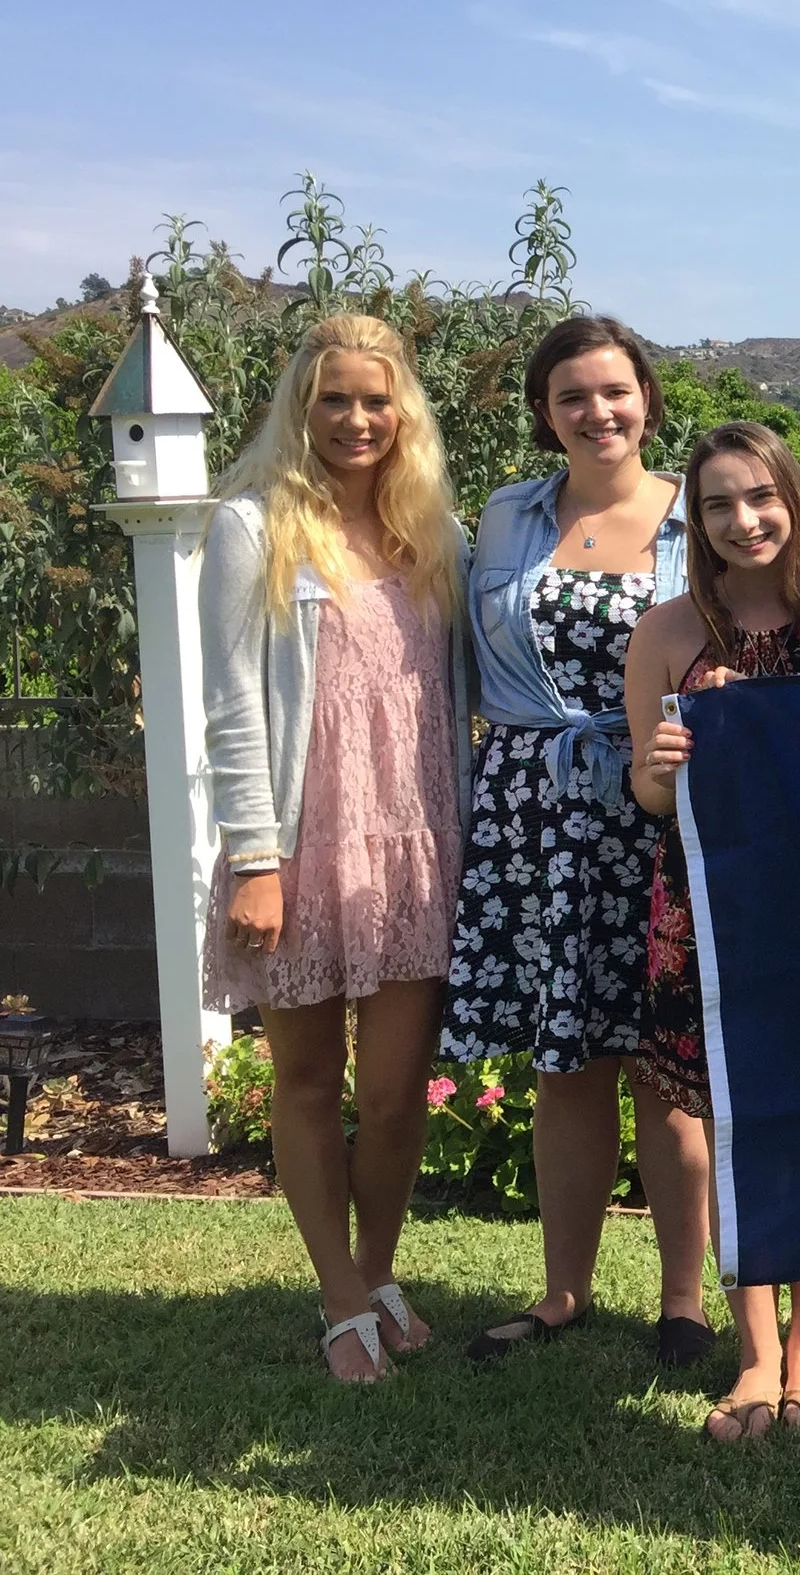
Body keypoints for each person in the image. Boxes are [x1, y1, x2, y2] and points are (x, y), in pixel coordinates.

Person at [200, 313, 473, 1381]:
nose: (356, 419)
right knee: (310, 1082)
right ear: (300, 409)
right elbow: (231, 704)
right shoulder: (253, 525)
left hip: (413, 843)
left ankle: (377, 1268)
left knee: (400, 1090)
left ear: (402, 412)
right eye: (333, 400)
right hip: (301, 850)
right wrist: (257, 858)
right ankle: (339, 1297)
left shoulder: (433, 535)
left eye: (375, 400)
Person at [445, 313, 715, 1367]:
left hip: (662, 808)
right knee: (566, 1068)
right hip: (535, 817)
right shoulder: (507, 514)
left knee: (664, 1065)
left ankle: (683, 1299)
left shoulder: (700, 514)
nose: (597, 412)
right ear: (543, 413)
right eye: (571, 396)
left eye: (614, 391)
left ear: (646, 398)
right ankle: (562, 1291)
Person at [626, 421, 800, 1440]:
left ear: (794, 500)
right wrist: (671, 756)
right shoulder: (669, 633)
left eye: (760, 497)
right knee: (734, 1129)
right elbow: (643, 789)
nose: (743, 520)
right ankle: (755, 1350)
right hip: (710, 904)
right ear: (696, 520)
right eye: (718, 504)